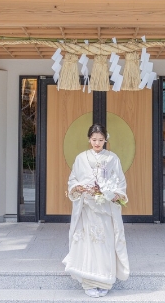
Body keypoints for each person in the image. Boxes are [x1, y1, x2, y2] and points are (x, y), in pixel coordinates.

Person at [62, 123, 130, 298]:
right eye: (94, 140)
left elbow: (120, 182)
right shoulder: (81, 158)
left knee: (105, 243)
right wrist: (79, 187)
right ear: (89, 140)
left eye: (101, 140)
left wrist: (114, 194)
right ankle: (89, 282)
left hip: (105, 209)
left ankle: (105, 280)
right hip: (87, 209)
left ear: (105, 140)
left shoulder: (112, 158)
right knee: (88, 244)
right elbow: (72, 180)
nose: (97, 143)